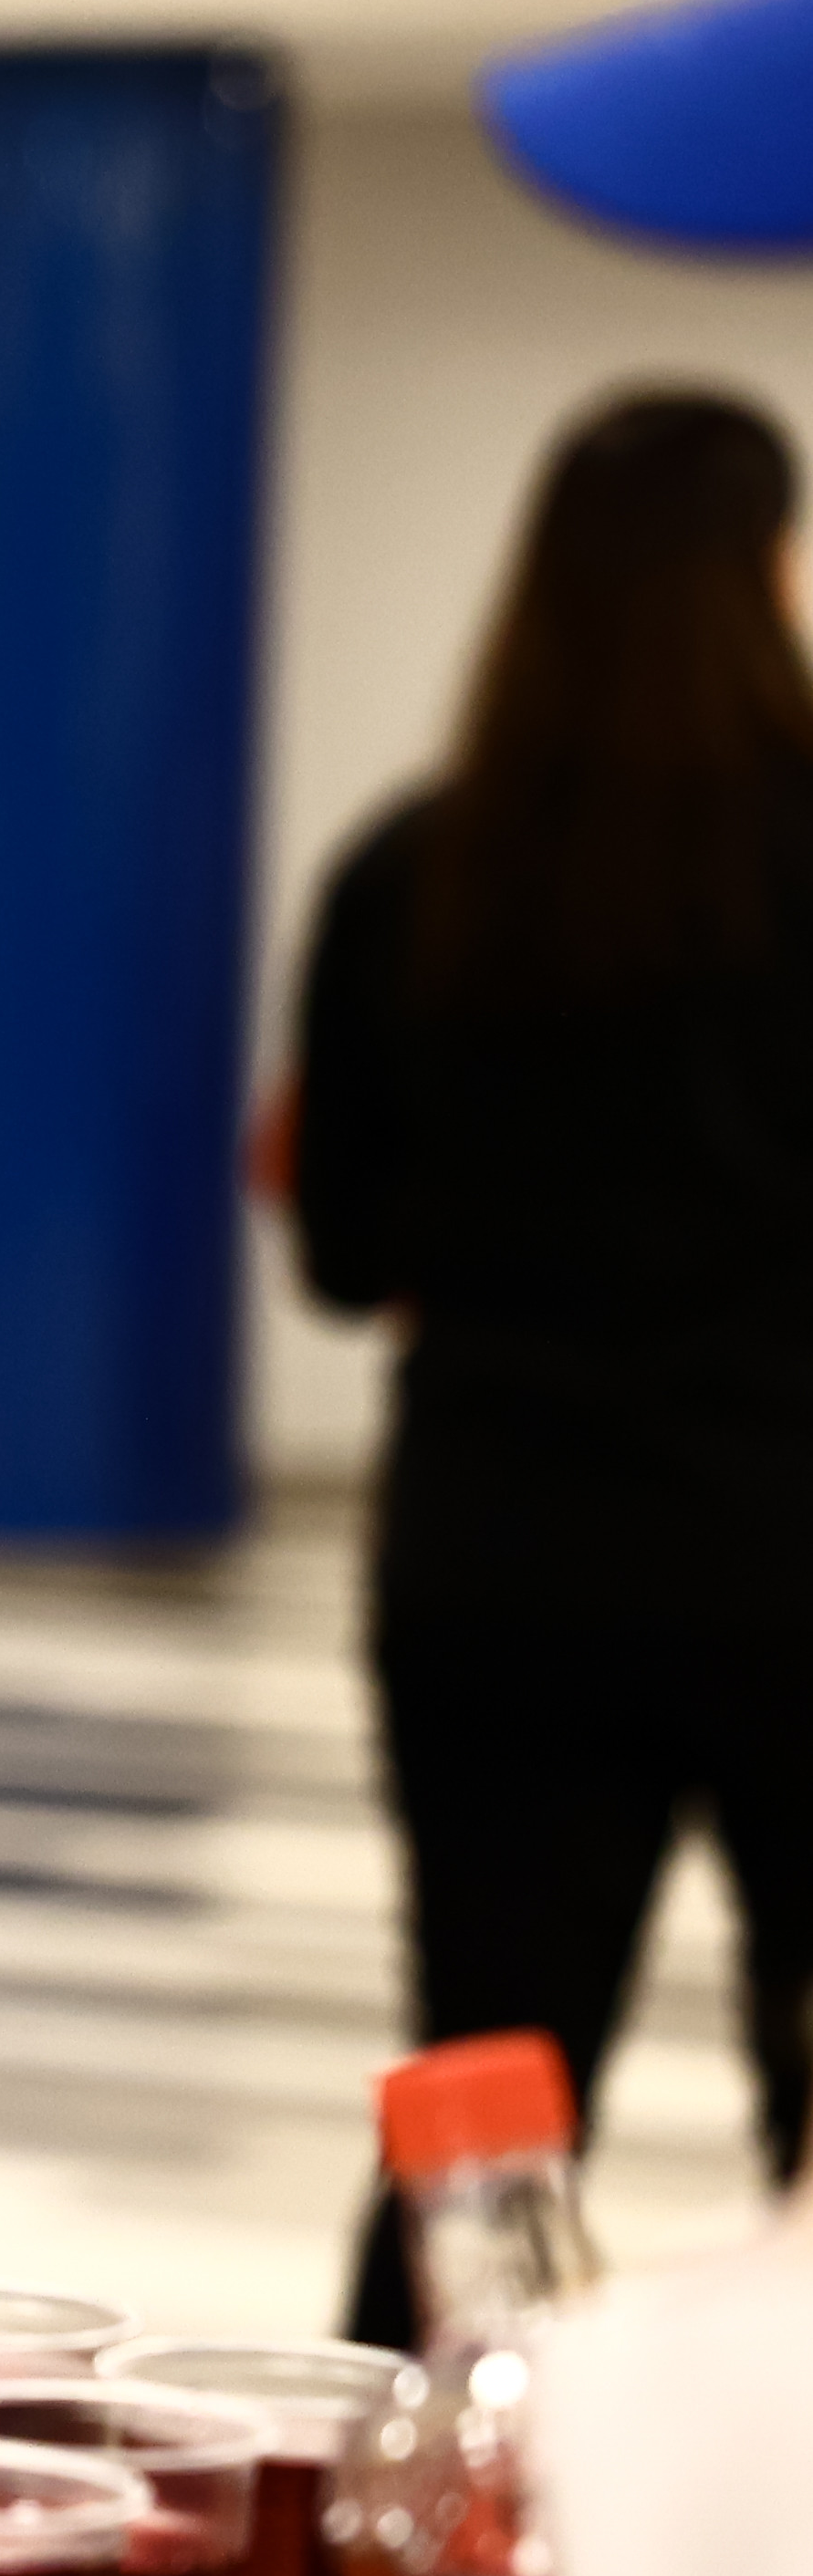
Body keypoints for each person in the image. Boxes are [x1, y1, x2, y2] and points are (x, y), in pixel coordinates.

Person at [268, 385, 813, 2352]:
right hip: (790, 1545)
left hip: (502, 1556)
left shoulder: (415, 868)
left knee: (487, 2099)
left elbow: (342, 1252)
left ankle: (416, 2512)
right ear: (764, 572)